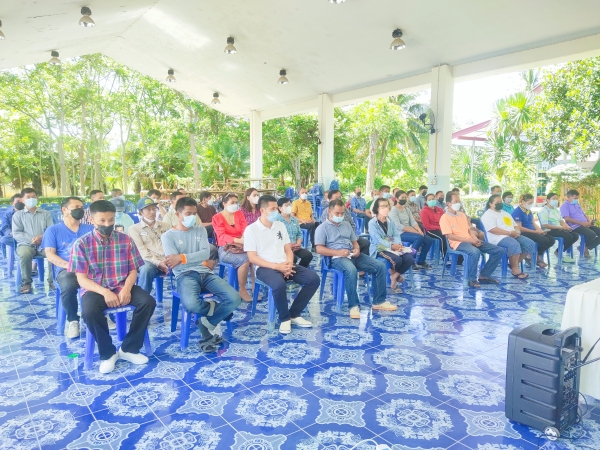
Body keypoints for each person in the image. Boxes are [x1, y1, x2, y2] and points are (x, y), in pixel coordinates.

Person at [69, 200, 156, 374]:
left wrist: (127, 288)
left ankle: (129, 348)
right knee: (89, 312)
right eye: (102, 221)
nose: (107, 224)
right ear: (92, 220)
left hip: (122, 284)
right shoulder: (82, 244)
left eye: (111, 220)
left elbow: (133, 270)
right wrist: (105, 292)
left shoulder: (125, 240)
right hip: (95, 288)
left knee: (148, 302)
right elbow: (81, 279)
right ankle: (108, 353)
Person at [162, 197, 241, 351]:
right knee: (191, 304)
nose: (192, 217)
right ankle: (215, 308)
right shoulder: (168, 236)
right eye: (188, 214)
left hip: (205, 273)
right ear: (178, 214)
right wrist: (190, 259)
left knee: (235, 298)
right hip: (185, 275)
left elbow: (205, 253)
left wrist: (182, 257)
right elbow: (174, 263)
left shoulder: (200, 230)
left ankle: (205, 324)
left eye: (194, 213)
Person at [245, 195, 320, 334]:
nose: (276, 211)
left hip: (284, 264)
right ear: (262, 210)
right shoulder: (251, 230)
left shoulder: (280, 225)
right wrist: (276, 267)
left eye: (276, 209)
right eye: (272, 209)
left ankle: (294, 314)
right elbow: (252, 258)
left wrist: (289, 264)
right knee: (279, 284)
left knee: (313, 279)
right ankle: (284, 318)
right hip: (265, 267)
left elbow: (288, 249)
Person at [316, 199, 396, 319]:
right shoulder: (322, 228)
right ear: (329, 211)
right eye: (337, 213)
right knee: (351, 270)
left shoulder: (346, 225)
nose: (340, 216)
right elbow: (319, 249)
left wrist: (357, 249)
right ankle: (353, 305)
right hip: (336, 258)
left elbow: (355, 242)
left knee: (380, 266)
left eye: (342, 213)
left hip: (352, 254)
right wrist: (338, 252)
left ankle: (379, 301)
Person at [41, 197, 94, 338]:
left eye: (81, 207)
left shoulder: (90, 229)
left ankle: (100, 314)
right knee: (68, 284)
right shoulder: (53, 230)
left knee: (104, 278)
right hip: (66, 269)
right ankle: (73, 320)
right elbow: (50, 255)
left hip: (89, 267)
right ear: (65, 210)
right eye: (76, 207)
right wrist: (70, 266)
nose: (80, 210)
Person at [440, 192, 504, 288]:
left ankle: (484, 275)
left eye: (459, 201)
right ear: (448, 203)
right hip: (458, 243)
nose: (458, 203)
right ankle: (472, 279)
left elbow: (469, 230)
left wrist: (475, 239)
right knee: (475, 252)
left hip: (471, 240)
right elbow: (450, 236)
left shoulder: (462, 215)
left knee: (499, 250)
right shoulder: (444, 218)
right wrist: (470, 241)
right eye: (455, 201)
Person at [481, 195, 534, 279]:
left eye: (500, 202)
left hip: (512, 235)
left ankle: (513, 264)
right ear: (491, 204)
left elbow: (515, 225)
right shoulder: (488, 214)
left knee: (529, 244)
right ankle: (515, 269)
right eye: (497, 202)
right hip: (498, 238)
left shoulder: (505, 213)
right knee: (514, 244)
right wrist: (509, 233)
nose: (500, 203)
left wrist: (517, 232)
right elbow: (492, 229)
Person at [212, 193, 253, 301]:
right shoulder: (217, 218)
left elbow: (245, 228)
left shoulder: (239, 214)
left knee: (255, 257)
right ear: (224, 204)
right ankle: (242, 289)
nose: (235, 205)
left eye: (236, 202)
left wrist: (243, 237)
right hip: (225, 249)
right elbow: (221, 236)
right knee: (245, 260)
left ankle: (254, 286)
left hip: (241, 246)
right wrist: (237, 240)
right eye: (232, 202)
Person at [12, 188, 54, 293]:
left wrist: (41, 238)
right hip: (25, 244)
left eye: (33, 196)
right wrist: (32, 240)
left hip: (43, 243)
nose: (31, 199)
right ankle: (26, 282)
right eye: (28, 197)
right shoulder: (18, 215)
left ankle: (52, 280)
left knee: (53, 252)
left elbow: (51, 230)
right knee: (25, 254)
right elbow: (17, 233)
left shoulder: (46, 213)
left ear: (37, 198)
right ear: (22, 200)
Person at [368, 198, 414, 293]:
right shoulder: (372, 223)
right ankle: (395, 277)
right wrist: (391, 246)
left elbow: (396, 235)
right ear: (377, 208)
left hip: (392, 247)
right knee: (397, 259)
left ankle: (394, 276)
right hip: (380, 249)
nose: (386, 208)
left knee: (409, 258)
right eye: (382, 206)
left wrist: (397, 244)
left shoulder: (390, 221)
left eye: (387, 206)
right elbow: (377, 240)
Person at [127, 197, 171, 294]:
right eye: (148, 209)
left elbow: (173, 245)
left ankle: (186, 296)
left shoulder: (166, 226)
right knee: (146, 269)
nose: (152, 212)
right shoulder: (134, 229)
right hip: (149, 261)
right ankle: (142, 298)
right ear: (140, 213)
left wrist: (169, 260)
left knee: (185, 264)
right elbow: (141, 251)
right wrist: (158, 263)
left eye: (154, 209)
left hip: (167, 260)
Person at [389, 190, 433, 270]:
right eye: (402, 197)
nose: (404, 199)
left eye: (405, 197)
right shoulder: (393, 210)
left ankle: (421, 261)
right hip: (399, 233)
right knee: (418, 238)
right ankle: (411, 261)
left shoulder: (407, 209)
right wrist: (416, 232)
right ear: (396, 198)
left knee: (428, 240)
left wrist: (419, 230)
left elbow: (413, 222)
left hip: (410, 231)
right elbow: (399, 226)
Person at [512, 194, 555, 269]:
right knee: (544, 240)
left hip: (532, 231)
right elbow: (519, 228)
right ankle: (533, 257)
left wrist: (540, 231)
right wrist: (535, 232)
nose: (531, 205)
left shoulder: (528, 211)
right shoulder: (517, 212)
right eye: (529, 203)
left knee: (551, 240)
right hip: (524, 233)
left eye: (532, 203)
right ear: (523, 202)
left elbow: (533, 223)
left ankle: (537, 256)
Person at [320, 190, 369, 255]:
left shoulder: (345, 210)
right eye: (336, 198)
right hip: (337, 241)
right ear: (329, 200)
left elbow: (352, 224)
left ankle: (358, 258)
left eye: (340, 197)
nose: (339, 200)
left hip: (350, 237)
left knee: (366, 243)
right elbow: (328, 231)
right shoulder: (326, 213)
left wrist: (353, 238)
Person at [538, 193, 577, 263]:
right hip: (549, 230)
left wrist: (567, 227)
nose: (555, 200)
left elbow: (561, 221)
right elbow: (545, 225)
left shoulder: (556, 210)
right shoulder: (544, 211)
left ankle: (558, 251)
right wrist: (560, 228)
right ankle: (558, 253)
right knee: (568, 236)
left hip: (558, 229)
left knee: (575, 236)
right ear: (547, 200)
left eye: (556, 199)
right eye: (553, 199)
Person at [560, 189, 600, 258]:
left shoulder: (577, 204)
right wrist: (582, 223)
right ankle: (584, 248)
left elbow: (583, 214)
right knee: (592, 234)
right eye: (575, 198)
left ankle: (585, 247)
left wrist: (589, 221)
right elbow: (567, 218)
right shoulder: (564, 206)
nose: (576, 200)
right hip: (575, 226)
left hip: (585, 224)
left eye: (577, 198)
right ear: (568, 197)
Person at [275, 197, 313, 268]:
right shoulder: (277, 220)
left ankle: (300, 270)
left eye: (290, 205)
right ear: (280, 208)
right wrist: (288, 246)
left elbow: (299, 234)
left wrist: (298, 244)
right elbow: (276, 237)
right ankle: (290, 271)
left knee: (308, 255)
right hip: (284, 248)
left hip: (295, 246)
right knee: (293, 258)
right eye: (286, 205)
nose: (289, 207)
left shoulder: (294, 220)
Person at [420, 193, 448, 258]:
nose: (432, 201)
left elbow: (444, 219)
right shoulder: (424, 212)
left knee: (450, 235)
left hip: (441, 228)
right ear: (426, 202)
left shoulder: (439, 210)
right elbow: (427, 226)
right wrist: (438, 227)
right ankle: (445, 257)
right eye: (429, 200)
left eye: (433, 199)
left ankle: (455, 255)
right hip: (430, 230)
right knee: (442, 237)